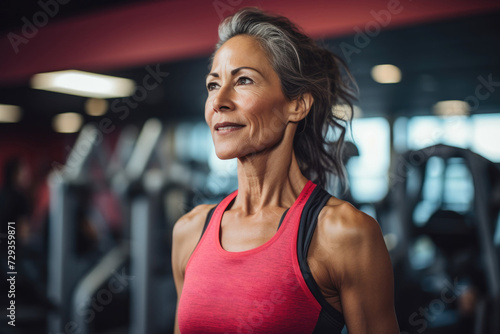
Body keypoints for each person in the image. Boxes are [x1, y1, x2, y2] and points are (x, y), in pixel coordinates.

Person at [172, 7, 399, 334]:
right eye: (212, 84)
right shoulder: (189, 232)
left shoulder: (343, 234)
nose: (218, 101)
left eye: (244, 80)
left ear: (297, 105)